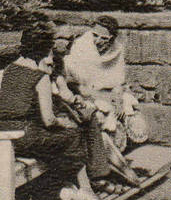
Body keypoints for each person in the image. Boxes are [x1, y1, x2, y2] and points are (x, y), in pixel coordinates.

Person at [0, 21, 110, 200]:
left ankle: (64, 190)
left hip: (3, 133)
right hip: (24, 137)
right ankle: (86, 191)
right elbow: (49, 120)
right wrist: (64, 124)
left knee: (60, 142)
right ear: (43, 50)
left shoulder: (10, 69)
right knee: (73, 136)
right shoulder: (39, 77)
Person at [62, 16, 148, 169]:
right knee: (103, 113)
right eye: (95, 35)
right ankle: (109, 148)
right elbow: (75, 84)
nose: (97, 41)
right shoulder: (80, 47)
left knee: (130, 110)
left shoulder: (117, 50)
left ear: (112, 39)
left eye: (104, 38)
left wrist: (117, 100)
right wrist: (104, 98)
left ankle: (123, 139)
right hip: (86, 93)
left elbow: (118, 81)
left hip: (109, 92)